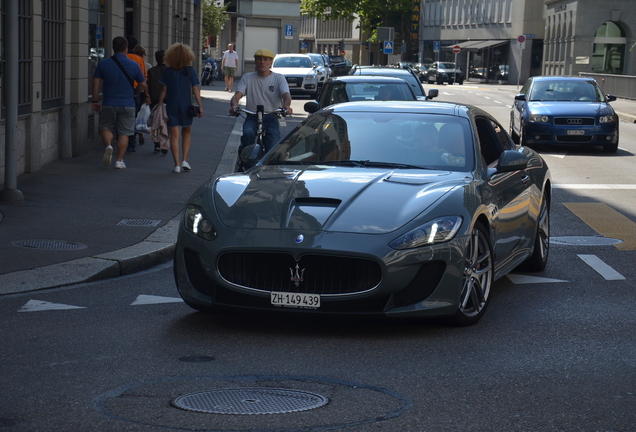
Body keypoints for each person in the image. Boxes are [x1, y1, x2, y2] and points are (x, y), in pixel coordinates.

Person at [92, 36, 148, 170]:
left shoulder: (104, 63)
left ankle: (109, 146)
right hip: (127, 103)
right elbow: (143, 84)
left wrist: (95, 100)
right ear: (126, 48)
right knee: (124, 132)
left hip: (109, 102)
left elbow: (96, 82)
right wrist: (135, 92)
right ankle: (119, 160)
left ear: (113, 48)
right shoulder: (134, 64)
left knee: (106, 127)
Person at [229, 49, 293, 164]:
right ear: (255, 62)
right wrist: (234, 106)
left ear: (271, 62)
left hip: (271, 116)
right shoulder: (247, 77)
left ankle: (271, 166)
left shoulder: (279, 78)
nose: (262, 62)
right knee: (248, 133)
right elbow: (237, 95)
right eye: (259, 59)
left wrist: (286, 106)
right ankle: (244, 160)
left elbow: (286, 95)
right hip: (252, 116)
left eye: (266, 59)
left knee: (273, 144)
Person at [158, 42, 204, 173]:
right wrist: (200, 106)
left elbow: (163, 90)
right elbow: (195, 89)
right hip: (186, 105)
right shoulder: (190, 71)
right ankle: (185, 160)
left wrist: (159, 104)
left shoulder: (168, 71)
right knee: (187, 132)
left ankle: (176, 164)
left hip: (172, 105)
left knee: (174, 135)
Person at [125, 35, 150, 152]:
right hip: (135, 92)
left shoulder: (119, 58)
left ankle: (120, 139)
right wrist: (145, 95)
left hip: (119, 91)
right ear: (134, 47)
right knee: (133, 117)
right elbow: (144, 80)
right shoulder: (139, 60)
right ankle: (131, 144)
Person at [147, 49, 168, 153]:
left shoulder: (151, 71)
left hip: (154, 99)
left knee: (156, 122)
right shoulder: (170, 70)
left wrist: (147, 97)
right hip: (168, 100)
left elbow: (148, 85)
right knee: (167, 122)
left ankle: (157, 144)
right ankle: (165, 142)